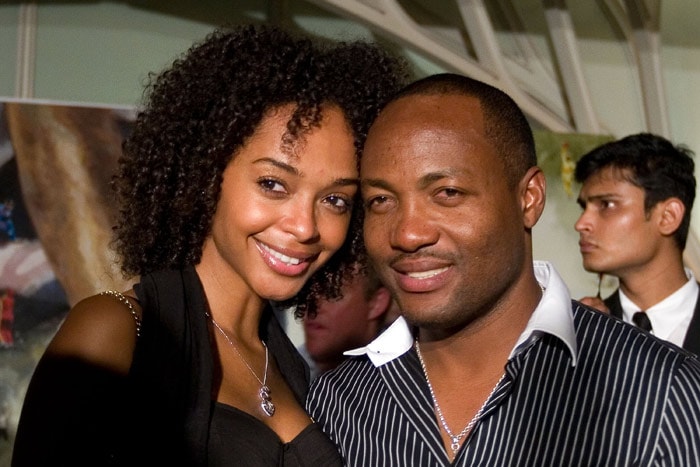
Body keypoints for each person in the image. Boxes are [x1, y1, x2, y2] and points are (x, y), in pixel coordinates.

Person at [12, 24, 407, 466]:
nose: (305, 227)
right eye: (273, 184)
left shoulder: (289, 369)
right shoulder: (115, 330)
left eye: (335, 200)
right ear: (205, 174)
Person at [306, 73, 700, 466]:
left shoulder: (662, 392)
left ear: (529, 199)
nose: (408, 234)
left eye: (447, 193)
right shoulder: (337, 403)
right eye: (381, 201)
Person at [575, 133, 700, 354]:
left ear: (668, 216)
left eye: (607, 204)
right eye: (584, 207)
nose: (581, 223)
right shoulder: (579, 331)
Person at [300, 262, 397, 379]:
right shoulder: (285, 370)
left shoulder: (404, 377)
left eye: (333, 293)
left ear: (377, 303)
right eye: (308, 291)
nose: (312, 307)